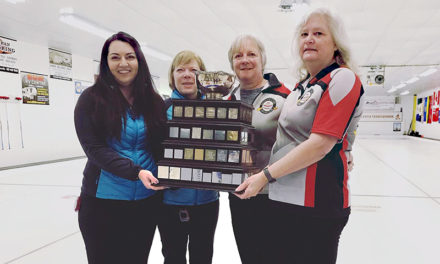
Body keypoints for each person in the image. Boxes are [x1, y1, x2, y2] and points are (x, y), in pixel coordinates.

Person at [236, 7, 365, 264]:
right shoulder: (301, 86)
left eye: (319, 33)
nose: (309, 39)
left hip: (319, 204)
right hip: (284, 199)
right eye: (304, 34)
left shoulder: (343, 78)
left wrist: (265, 175)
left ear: (336, 44)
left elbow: (320, 144)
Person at [74, 31, 166, 264]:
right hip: (103, 203)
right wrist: (136, 171)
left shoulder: (153, 100)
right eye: (115, 57)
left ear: (139, 61)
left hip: (145, 203)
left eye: (130, 57)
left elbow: (162, 145)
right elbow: (94, 148)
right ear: (106, 62)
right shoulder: (91, 99)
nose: (123, 63)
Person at [226, 34, 291, 264]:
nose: (245, 60)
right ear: (232, 63)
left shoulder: (284, 97)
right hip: (238, 193)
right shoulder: (226, 100)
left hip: (274, 194)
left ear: (262, 60)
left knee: (275, 256)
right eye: (238, 55)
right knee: (248, 256)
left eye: (251, 54)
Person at [158, 50, 219, 264]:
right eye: (180, 69)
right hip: (170, 202)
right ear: (172, 76)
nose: (187, 74)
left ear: (203, 77)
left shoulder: (217, 110)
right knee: (173, 257)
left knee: (203, 256)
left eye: (194, 70)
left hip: (207, 202)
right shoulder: (161, 111)